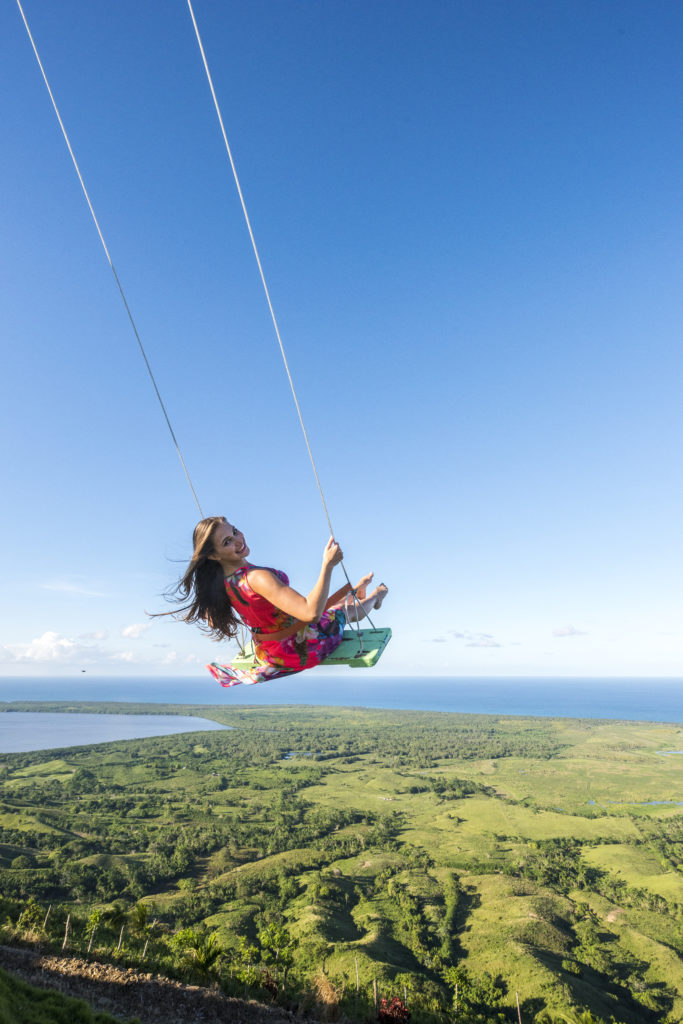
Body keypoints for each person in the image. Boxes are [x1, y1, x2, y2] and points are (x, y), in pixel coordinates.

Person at [169, 516, 388, 688]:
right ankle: (376, 596)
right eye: (227, 542)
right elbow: (310, 613)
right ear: (214, 556)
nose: (238, 540)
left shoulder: (222, 584)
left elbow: (215, 621)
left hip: (269, 652)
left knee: (329, 607)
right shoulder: (255, 577)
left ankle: (358, 590)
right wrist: (327, 565)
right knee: (344, 611)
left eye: (234, 531)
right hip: (301, 649)